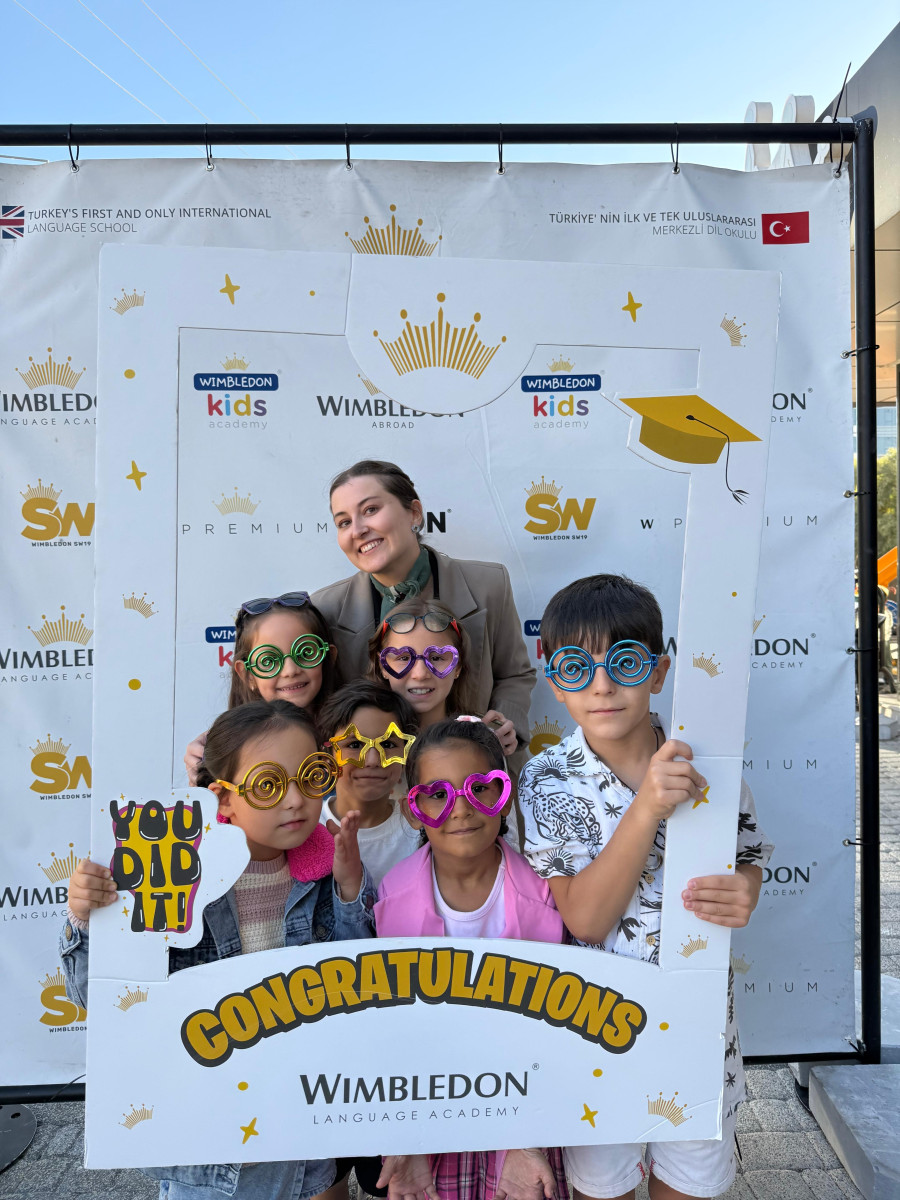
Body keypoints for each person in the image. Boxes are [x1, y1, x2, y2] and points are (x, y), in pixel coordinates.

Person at [517, 575, 773, 1200]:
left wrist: (747, 888)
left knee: (690, 1184)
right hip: (592, 1028)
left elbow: (748, 858)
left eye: (624, 664)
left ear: (657, 673)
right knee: (601, 1186)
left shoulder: (710, 767)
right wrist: (648, 807)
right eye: (577, 668)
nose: (602, 685)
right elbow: (585, 920)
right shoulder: (546, 779)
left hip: (698, 1027)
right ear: (556, 681)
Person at [62, 700, 375, 1200]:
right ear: (222, 799)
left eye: (311, 777)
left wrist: (350, 888)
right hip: (209, 1151)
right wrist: (86, 917)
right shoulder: (169, 878)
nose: (296, 801)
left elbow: (362, 993)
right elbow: (101, 1003)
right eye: (269, 785)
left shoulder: (325, 876)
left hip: (301, 1137)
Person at [374, 719, 568, 1200]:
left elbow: (552, 1027)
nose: (461, 808)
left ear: (505, 795)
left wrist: (525, 1139)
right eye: (437, 795)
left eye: (480, 787)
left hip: (525, 1105)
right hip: (434, 1109)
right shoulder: (393, 895)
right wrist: (407, 1138)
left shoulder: (546, 892)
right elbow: (392, 1030)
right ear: (413, 811)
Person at [312, 460, 534, 753]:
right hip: (376, 774)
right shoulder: (325, 608)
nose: (358, 530)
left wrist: (500, 726)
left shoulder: (489, 584)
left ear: (414, 513)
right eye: (344, 522)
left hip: (475, 768)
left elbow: (515, 675)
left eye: (370, 510)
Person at [184, 591, 339, 785]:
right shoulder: (230, 750)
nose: (290, 671)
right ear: (247, 675)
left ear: (328, 658)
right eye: (269, 661)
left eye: (306, 653)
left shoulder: (352, 736)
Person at [369, 598, 516, 756]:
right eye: (404, 658)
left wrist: (490, 746)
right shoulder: (361, 740)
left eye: (436, 658)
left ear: (458, 665)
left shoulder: (481, 739)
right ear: (382, 665)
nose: (420, 674)